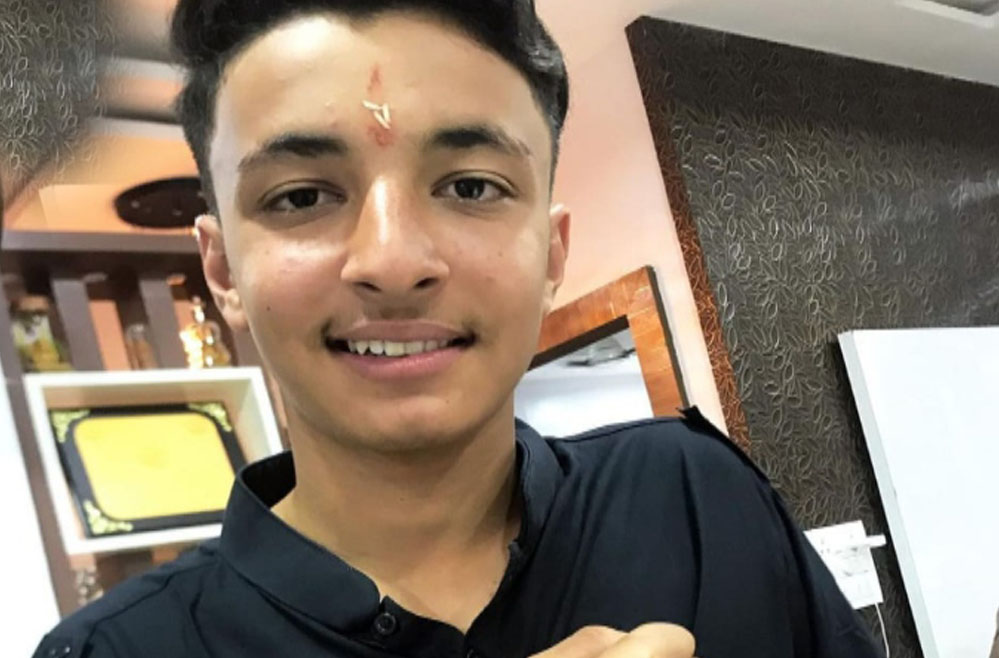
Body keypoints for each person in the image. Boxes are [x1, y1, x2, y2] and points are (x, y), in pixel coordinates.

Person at [35, 1, 884, 657]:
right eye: (300, 196)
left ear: (551, 253)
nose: (393, 260)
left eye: (471, 187)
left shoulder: (696, 498)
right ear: (223, 271)